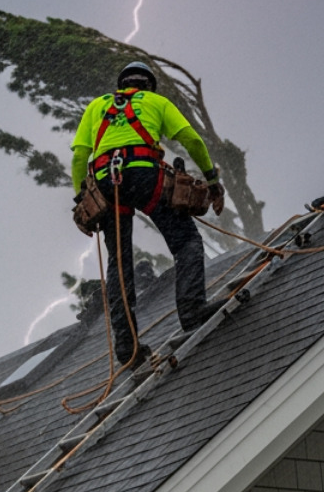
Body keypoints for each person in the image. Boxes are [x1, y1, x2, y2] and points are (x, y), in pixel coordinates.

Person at [71, 61, 226, 367]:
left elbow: (79, 157)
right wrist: (212, 181)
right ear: (148, 86)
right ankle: (192, 310)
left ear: (122, 84)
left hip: (106, 185)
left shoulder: (97, 107)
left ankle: (127, 349)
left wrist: (81, 201)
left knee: (120, 265)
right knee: (186, 242)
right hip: (145, 176)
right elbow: (192, 140)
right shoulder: (156, 102)